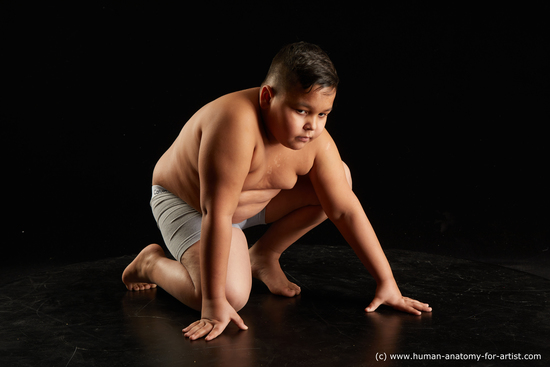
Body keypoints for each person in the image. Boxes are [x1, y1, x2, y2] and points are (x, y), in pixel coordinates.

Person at [122, 42, 432, 341]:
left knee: (340, 181)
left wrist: (386, 282)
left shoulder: (315, 141)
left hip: (248, 205)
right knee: (230, 296)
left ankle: (264, 256)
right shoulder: (235, 124)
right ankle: (150, 264)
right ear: (268, 96)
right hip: (188, 205)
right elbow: (216, 213)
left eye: (323, 114)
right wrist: (214, 305)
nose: (312, 126)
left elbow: (344, 210)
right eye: (301, 111)